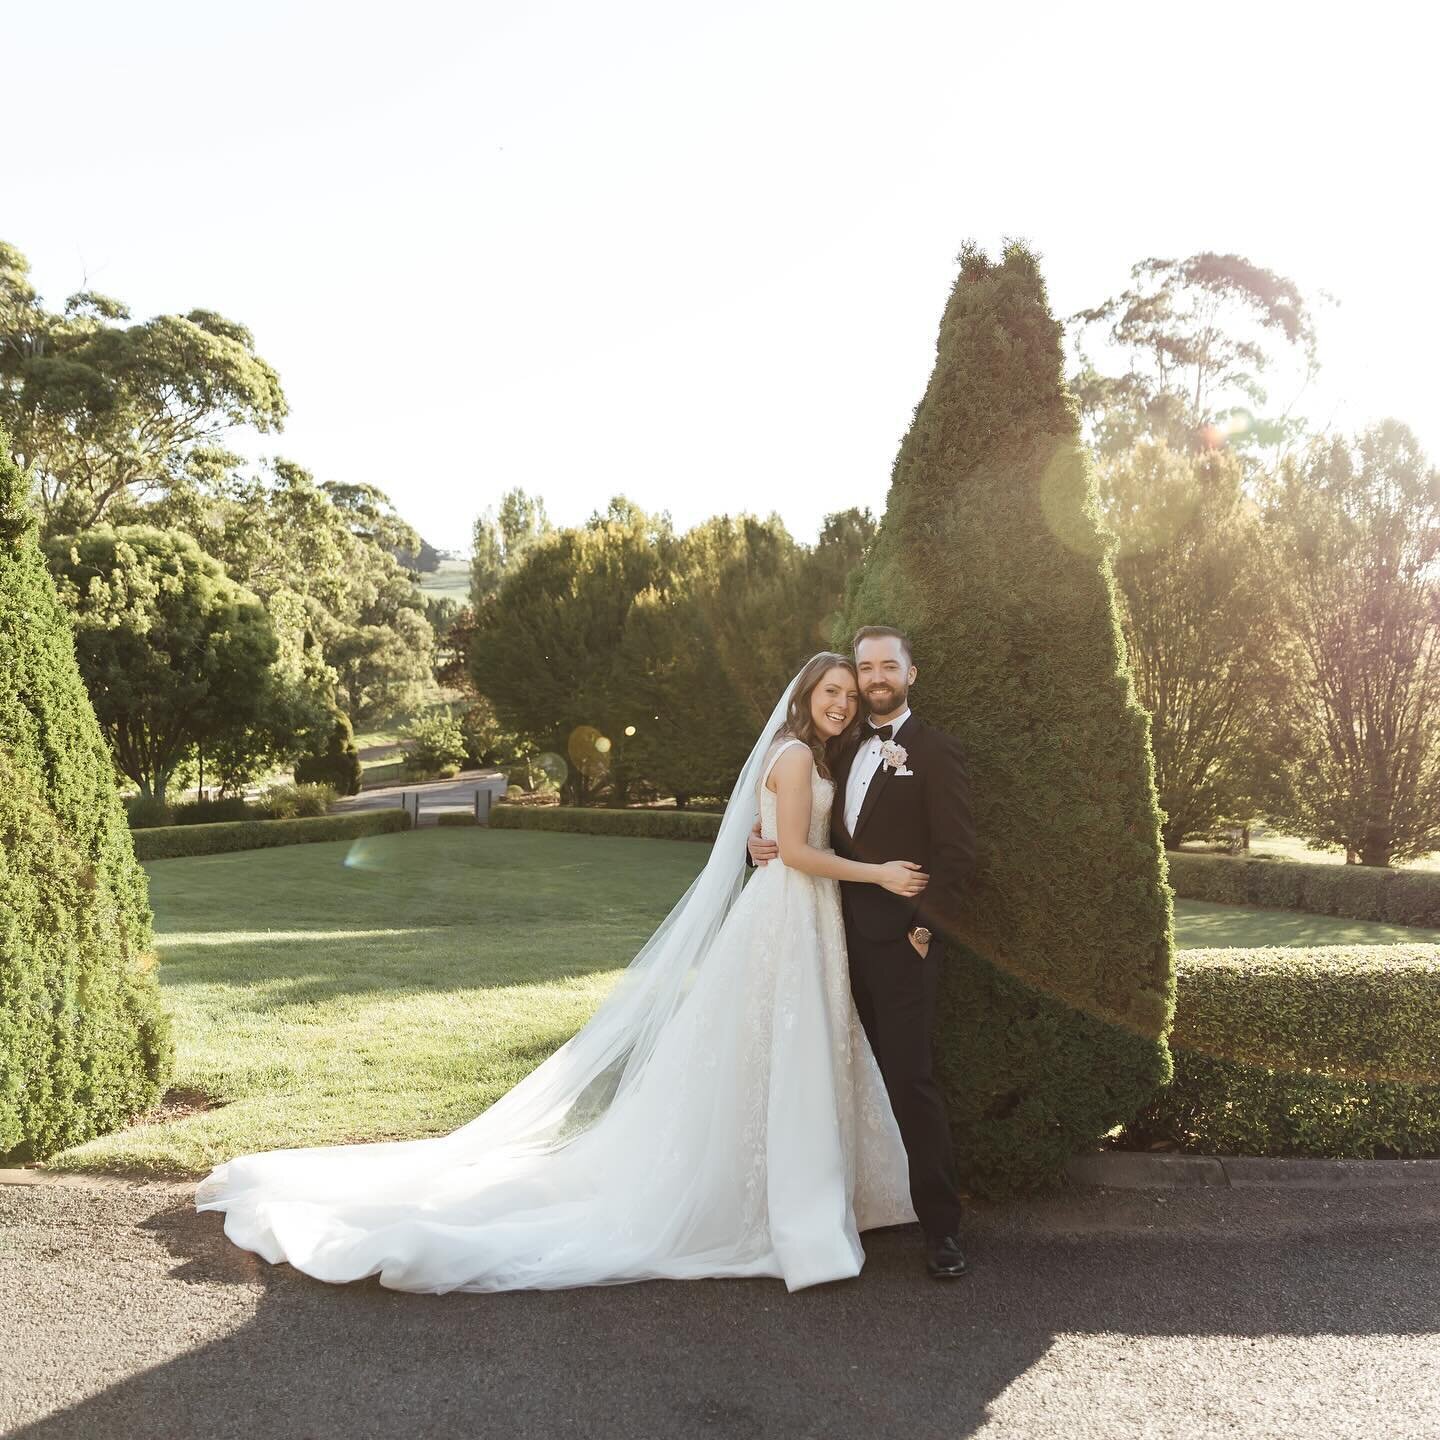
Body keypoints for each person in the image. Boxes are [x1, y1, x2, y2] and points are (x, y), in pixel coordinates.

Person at [195, 652, 936, 1294]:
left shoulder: (794, 750)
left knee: (773, 1055)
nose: (841, 701)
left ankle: (784, 1187)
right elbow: (801, 855)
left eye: (848, 691)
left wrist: (765, 842)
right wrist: (879, 873)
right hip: (789, 913)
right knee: (785, 1051)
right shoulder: (799, 756)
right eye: (830, 690)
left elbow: (782, 838)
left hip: (790, 914)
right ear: (807, 695)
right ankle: (784, 1204)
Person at [749, 625, 976, 1279]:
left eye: (885, 668)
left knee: (910, 1081)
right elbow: (794, 823)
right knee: (827, 1074)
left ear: (910, 673)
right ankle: (846, 1206)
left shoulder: (937, 752)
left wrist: (925, 929)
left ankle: (942, 1230)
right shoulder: (834, 750)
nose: (872, 681)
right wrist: (756, 842)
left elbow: (958, 856)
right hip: (823, 938)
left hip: (901, 947)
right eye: (862, 670)